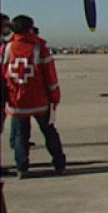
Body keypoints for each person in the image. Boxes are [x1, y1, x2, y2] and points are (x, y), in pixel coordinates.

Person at [2, 15, 66, 178]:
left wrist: (6, 96)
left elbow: (2, 75)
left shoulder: (6, 49)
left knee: (20, 136)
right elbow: (50, 77)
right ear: (30, 29)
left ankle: (21, 168)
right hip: (40, 101)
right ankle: (59, 164)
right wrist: (55, 97)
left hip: (17, 102)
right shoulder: (39, 48)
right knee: (50, 132)